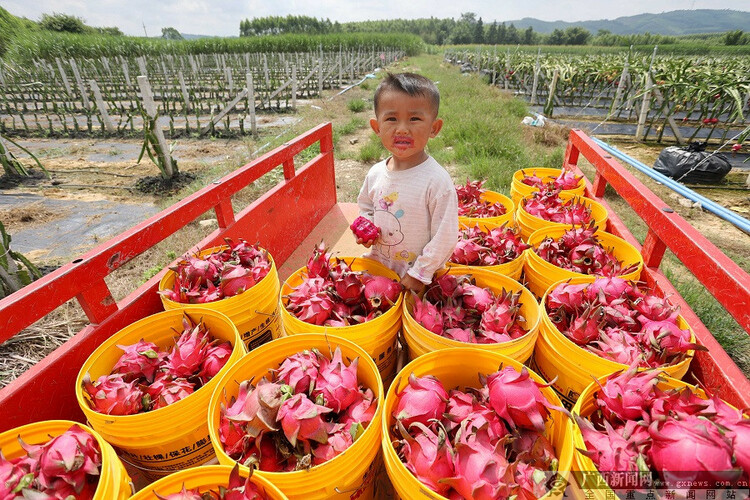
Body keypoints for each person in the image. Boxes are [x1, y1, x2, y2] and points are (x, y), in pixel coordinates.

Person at [354, 72, 458, 294]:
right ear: (376, 127)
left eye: (414, 119)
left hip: (419, 279)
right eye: (391, 119)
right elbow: (366, 206)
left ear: (434, 128)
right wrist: (365, 225)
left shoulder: (437, 182)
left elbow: (446, 235)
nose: (402, 128)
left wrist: (420, 273)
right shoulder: (375, 174)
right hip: (378, 270)